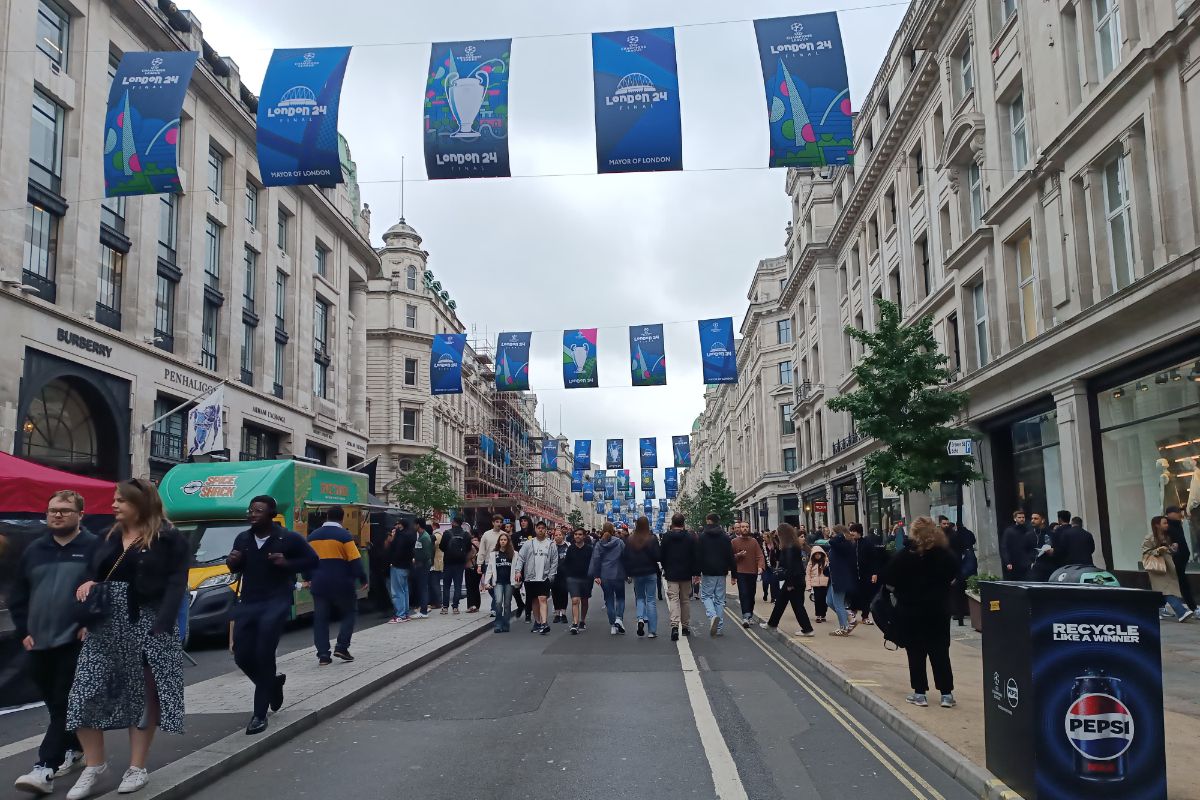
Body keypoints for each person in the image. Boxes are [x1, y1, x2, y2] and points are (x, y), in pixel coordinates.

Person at [65, 479, 189, 798]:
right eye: (114, 499)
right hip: (105, 625)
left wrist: (163, 624)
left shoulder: (168, 537)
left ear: (141, 504)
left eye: (121, 500)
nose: (114, 505)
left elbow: (177, 583)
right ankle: (95, 765)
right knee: (83, 692)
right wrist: (88, 586)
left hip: (147, 622)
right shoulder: (109, 534)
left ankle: (137, 767)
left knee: (142, 696)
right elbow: (93, 572)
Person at [10, 491, 98, 795]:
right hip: (38, 642)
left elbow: (106, 589)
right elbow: (18, 594)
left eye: (64, 510)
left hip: (75, 640)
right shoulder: (35, 549)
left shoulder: (93, 547)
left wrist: (90, 621)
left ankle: (44, 768)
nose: (56, 515)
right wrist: (23, 629)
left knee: (64, 701)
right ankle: (74, 747)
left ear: (80, 515)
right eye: (51, 510)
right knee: (55, 702)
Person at [226, 495, 318, 736]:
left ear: (270, 514)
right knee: (242, 655)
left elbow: (312, 560)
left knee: (265, 651)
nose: (252, 514)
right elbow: (235, 567)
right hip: (249, 601)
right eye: (250, 510)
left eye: (257, 510)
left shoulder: (287, 538)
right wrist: (232, 562)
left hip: (276, 601)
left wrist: (286, 563)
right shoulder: (243, 538)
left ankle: (259, 713)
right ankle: (272, 684)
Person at [883, 516, 960, 709]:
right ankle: (946, 694)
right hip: (938, 609)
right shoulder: (945, 554)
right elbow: (954, 574)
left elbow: (889, 579)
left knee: (916, 652)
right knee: (940, 651)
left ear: (914, 533)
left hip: (911, 609)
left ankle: (920, 693)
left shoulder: (904, 556)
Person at [305, 506, 366, 665]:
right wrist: (363, 579)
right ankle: (342, 646)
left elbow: (307, 560)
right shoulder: (344, 535)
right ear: (342, 518)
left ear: (326, 517)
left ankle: (323, 655)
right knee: (349, 613)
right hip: (342, 582)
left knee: (320, 619)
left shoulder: (312, 536)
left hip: (319, 583)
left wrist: (308, 578)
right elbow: (355, 560)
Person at [759, 523, 814, 637]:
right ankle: (772, 624)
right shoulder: (793, 545)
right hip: (796, 579)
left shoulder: (789, 547)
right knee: (780, 602)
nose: (777, 534)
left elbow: (790, 566)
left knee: (797, 605)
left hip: (792, 581)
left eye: (778, 532)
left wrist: (789, 583)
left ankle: (807, 629)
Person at [1144, 516, 1194, 622]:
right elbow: (1146, 553)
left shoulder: (1167, 537)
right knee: (1167, 591)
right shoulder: (1150, 538)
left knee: (1163, 590)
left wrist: (1173, 549)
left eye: (1167, 523)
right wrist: (1158, 550)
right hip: (1156, 568)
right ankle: (1181, 612)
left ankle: (1157, 610)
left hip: (1168, 567)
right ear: (1157, 525)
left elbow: (1170, 552)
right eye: (1164, 523)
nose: (1167, 525)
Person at [514, 521, 559, 634]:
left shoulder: (550, 544)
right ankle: (537, 621)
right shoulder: (529, 543)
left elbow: (554, 561)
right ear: (535, 529)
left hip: (544, 577)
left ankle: (544, 623)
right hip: (530, 577)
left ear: (546, 530)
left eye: (543, 528)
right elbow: (521, 558)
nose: (541, 530)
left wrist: (551, 575)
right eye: (539, 528)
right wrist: (518, 571)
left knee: (542, 599)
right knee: (534, 600)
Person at [697, 513, 735, 637]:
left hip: (708, 571)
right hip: (721, 571)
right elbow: (730, 556)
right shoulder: (725, 537)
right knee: (719, 600)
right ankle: (718, 628)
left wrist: (696, 573)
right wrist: (734, 573)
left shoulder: (702, 537)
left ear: (708, 521)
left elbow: (699, 556)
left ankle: (712, 616)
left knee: (706, 596)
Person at [660, 513, 698, 641]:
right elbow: (695, 556)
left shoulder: (666, 537)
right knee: (685, 600)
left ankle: (675, 626)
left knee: (674, 600)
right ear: (683, 523)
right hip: (686, 573)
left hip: (672, 573)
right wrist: (696, 572)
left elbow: (662, 555)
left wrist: (665, 568)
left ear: (672, 523)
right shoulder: (689, 537)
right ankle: (685, 627)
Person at [622, 517, 661, 638]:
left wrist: (627, 573)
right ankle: (652, 631)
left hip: (637, 573)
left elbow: (625, 557)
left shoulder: (630, 540)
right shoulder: (652, 539)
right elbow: (658, 556)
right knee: (651, 600)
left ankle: (640, 619)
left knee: (640, 598)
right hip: (650, 572)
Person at [588, 522, 627, 634]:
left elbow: (596, 560)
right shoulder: (619, 542)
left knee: (609, 599)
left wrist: (596, 575)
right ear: (613, 531)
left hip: (605, 575)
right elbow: (625, 557)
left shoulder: (599, 544)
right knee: (620, 598)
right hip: (618, 573)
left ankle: (613, 625)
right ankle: (619, 619)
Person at [940, 516, 977, 625]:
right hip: (947, 566)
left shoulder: (954, 536)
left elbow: (957, 553)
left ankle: (957, 612)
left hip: (954, 566)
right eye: (944, 524)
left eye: (947, 523)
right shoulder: (941, 536)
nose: (946, 525)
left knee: (956, 590)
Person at [731, 522, 765, 628]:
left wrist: (760, 567)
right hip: (740, 572)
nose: (745, 529)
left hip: (752, 572)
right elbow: (730, 557)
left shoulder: (754, 541)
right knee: (744, 594)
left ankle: (749, 615)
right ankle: (745, 617)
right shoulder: (734, 542)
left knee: (751, 595)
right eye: (743, 527)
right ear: (739, 529)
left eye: (746, 527)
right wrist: (738, 555)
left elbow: (760, 555)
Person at [481, 533, 516, 632]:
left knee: (507, 604)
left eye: (505, 540)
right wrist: (487, 582)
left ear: (508, 541)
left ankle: (506, 624)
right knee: (498, 602)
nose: (503, 541)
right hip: (498, 582)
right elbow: (490, 569)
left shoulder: (514, 554)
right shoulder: (494, 554)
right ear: (499, 542)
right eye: (501, 540)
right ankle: (498, 624)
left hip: (509, 582)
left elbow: (517, 568)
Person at [1164, 506, 1197, 612]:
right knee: (1182, 583)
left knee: (1172, 583)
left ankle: (1160, 607)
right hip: (1175, 559)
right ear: (1169, 514)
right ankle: (1192, 608)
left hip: (1181, 558)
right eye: (1176, 512)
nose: (1179, 514)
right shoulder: (1167, 525)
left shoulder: (1177, 524)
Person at [562, 527, 594, 634]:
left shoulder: (589, 549)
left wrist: (594, 575)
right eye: (575, 534)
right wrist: (566, 575)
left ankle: (582, 620)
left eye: (580, 534)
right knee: (575, 600)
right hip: (573, 578)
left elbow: (593, 563)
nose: (577, 536)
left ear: (584, 536)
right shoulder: (570, 548)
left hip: (586, 579)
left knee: (584, 600)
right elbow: (566, 563)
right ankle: (575, 623)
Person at [826, 525, 857, 635]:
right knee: (829, 601)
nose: (832, 536)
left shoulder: (845, 544)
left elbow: (832, 542)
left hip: (840, 578)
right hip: (834, 577)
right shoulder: (839, 544)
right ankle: (850, 617)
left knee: (838, 603)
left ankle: (844, 628)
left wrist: (840, 536)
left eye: (834, 533)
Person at [386, 519, 417, 623]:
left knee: (397, 591)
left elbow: (397, 550)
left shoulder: (400, 536)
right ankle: (405, 613)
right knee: (404, 590)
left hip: (398, 566)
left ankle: (400, 615)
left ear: (402, 525)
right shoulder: (411, 535)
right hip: (407, 565)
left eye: (398, 524)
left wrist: (392, 561)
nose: (396, 526)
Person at [439, 517, 471, 614]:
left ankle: (445, 607)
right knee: (458, 585)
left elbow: (442, 547)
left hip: (448, 562)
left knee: (446, 585)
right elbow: (468, 548)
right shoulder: (466, 534)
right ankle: (455, 607)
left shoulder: (447, 533)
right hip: (460, 563)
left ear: (453, 522)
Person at [849, 522, 879, 626]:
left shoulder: (867, 543)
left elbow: (874, 559)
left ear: (858, 532)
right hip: (853, 574)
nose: (851, 533)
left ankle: (865, 616)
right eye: (851, 531)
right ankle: (852, 613)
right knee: (853, 594)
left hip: (865, 574)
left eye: (853, 531)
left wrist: (874, 573)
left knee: (866, 596)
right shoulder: (851, 543)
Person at [476, 515, 503, 616]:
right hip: (488, 563)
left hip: (501, 563)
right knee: (489, 586)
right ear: (493, 523)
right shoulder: (486, 535)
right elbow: (482, 550)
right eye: (497, 522)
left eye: (500, 522)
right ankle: (497, 603)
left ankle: (494, 608)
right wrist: (479, 564)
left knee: (498, 586)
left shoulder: (504, 535)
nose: (499, 524)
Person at [1000, 510, 1036, 580]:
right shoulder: (1009, 531)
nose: (1022, 519)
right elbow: (1004, 547)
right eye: (1019, 517)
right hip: (1014, 562)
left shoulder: (1029, 530)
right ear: (1015, 519)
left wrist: (1032, 559)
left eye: (1023, 517)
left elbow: (1032, 545)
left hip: (1027, 562)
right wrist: (1007, 562)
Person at [512, 517, 536, 622]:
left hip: (531, 566)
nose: (523, 523)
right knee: (514, 587)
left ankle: (527, 613)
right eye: (521, 521)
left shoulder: (534, 535)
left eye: (525, 521)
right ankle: (520, 604)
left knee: (530, 590)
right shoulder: (515, 536)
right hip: (519, 565)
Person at [1027, 512, 1062, 582]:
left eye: (1035, 518)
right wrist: (1029, 563)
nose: (1032, 521)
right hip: (1035, 569)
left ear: (1042, 520)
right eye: (1032, 518)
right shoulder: (1028, 535)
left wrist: (1053, 551)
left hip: (1049, 568)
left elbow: (1059, 549)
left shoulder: (1051, 534)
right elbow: (1024, 550)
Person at [410, 522, 433, 619]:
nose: (413, 526)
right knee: (422, 587)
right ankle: (423, 609)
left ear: (418, 525)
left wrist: (417, 560)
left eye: (414, 524)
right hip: (422, 564)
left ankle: (423, 611)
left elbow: (427, 554)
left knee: (423, 588)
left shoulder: (424, 537)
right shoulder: (422, 536)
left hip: (422, 565)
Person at [550, 528, 570, 624]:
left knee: (564, 593)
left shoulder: (568, 546)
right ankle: (557, 614)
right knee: (555, 593)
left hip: (565, 573)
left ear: (563, 536)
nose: (558, 536)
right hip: (554, 573)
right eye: (556, 535)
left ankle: (564, 613)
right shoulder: (551, 546)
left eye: (559, 535)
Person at [806, 545, 830, 623]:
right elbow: (808, 574)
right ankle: (818, 615)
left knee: (824, 600)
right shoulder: (811, 563)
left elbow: (830, 572)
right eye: (816, 554)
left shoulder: (826, 561)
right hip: (816, 585)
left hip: (825, 584)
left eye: (819, 554)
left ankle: (823, 614)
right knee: (817, 600)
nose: (817, 555)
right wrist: (808, 586)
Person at [427, 523, 444, 612]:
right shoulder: (441, 535)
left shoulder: (436, 536)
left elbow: (432, 548)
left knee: (434, 583)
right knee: (435, 583)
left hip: (435, 562)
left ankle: (437, 602)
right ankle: (437, 602)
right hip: (439, 561)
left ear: (434, 527)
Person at [464, 532, 482, 612]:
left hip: (470, 566)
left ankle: (471, 605)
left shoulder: (471, 545)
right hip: (478, 567)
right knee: (476, 587)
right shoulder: (481, 543)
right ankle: (477, 605)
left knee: (470, 587)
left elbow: (468, 557)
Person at [762, 531, 780, 603]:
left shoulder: (775, 545)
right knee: (765, 581)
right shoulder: (762, 546)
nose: (763, 539)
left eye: (764, 537)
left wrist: (777, 567)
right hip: (765, 567)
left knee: (773, 582)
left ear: (769, 538)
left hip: (773, 566)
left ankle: (773, 598)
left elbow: (778, 557)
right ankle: (765, 593)